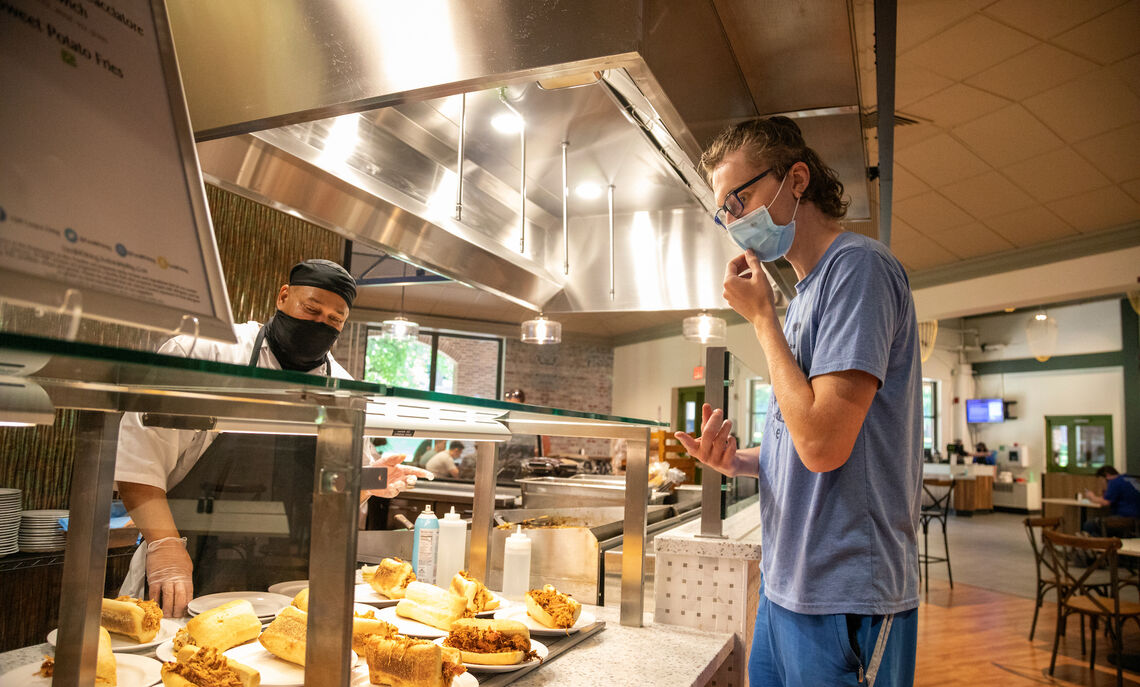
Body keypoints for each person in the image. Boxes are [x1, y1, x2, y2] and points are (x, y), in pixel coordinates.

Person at [674, 116, 922, 686]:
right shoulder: (802, 297)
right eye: (725, 211)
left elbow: (822, 446)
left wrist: (761, 319)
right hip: (787, 586)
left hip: (848, 596)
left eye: (740, 198)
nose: (735, 221)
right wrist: (735, 461)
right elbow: (797, 439)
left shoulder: (858, 269)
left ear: (798, 179)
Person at [114, 259, 431, 617]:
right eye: (311, 309)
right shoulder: (205, 354)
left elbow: (335, 486)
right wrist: (166, 547)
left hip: (292, 586)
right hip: (190, 567)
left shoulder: (343, 390)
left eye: (334, 320)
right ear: (283, 296)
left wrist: (373, 479)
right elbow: (138, 467)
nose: (319, 324)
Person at [1082, 465, 1140, 537]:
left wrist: (1092, 497)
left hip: (1125, 518)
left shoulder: (1114, 482)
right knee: (1096, 533)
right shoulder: (1129, 479)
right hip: (1136, 519)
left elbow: (1106, 502)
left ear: (1107, 476)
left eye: (1102, 480)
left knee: (1089, 525)